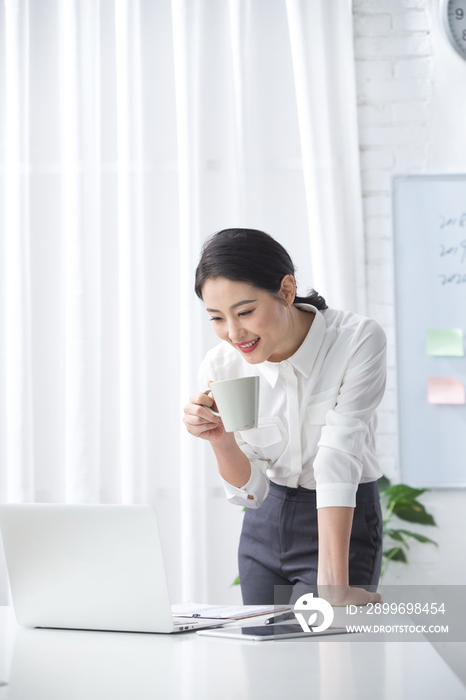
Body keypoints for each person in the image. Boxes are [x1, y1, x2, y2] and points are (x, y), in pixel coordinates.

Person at [183, 228, 385, 607]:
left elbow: (337, 457)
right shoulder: (222, 365)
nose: (233, 333)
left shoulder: (356, 340)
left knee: (327, 654)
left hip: (340, 517)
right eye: (217, 318)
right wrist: (221, 439)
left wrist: (333, 586)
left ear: (287, 290)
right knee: (264, 658)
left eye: (245, 312)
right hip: (265, 524)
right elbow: (254, 492)